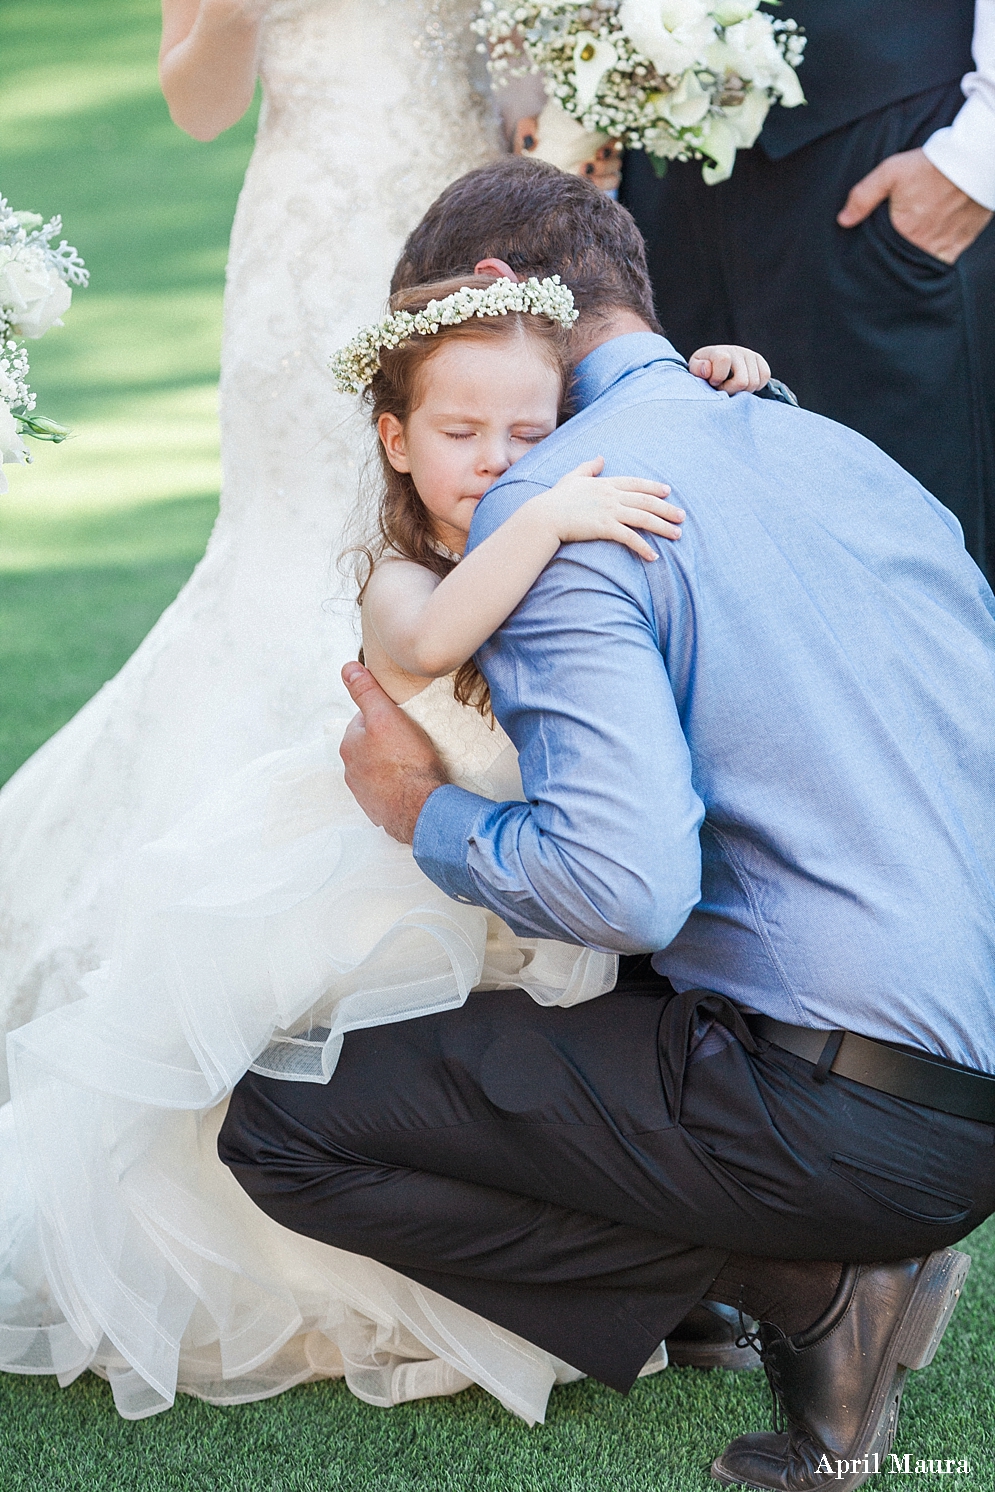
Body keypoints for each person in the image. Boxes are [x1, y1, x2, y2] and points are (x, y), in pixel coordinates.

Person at [218, 159, 995, 1492]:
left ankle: (800, 1275)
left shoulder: (558, 507)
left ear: (482, 296)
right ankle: (761, 1270)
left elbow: (621, 887)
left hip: (832, 1111)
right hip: (961, 1067)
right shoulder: (831, 446)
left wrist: (420, 810)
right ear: (636, 294)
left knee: (282, 1123)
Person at [0, 261, 767, 1417]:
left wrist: (718, 381)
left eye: (531, 429)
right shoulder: (404, 580)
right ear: (396, 441)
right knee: (337, 1082)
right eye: (461, 431)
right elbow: (439, 639)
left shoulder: (565, 521)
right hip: (391, 881)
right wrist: (549, 514)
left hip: (527, 887)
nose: (499, 458)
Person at [0, 0, 502, 1081]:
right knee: (295, 552)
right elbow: (196, 102)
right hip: (312, 248)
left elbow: (526, 61)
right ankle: (226, 936)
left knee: (466, 538)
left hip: (479, 236)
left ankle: (469, 868)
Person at [619, 0, 995, 584]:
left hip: (882, 143)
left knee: (919, 553)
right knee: (707, 553)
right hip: (666, 168)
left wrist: (976, 159)